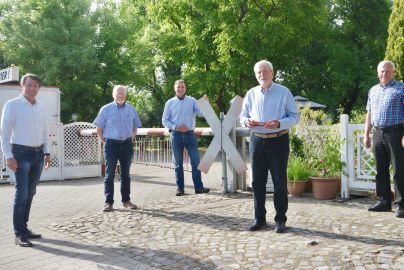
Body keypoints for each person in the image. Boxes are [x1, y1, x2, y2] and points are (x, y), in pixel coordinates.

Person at [240, 60, 300, 232]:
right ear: (255, 75)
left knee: (279, 182)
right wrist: (246, 121)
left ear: (272, 73)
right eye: (259, 72)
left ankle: (280, 219)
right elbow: (242, 116)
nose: (262, 75)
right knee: (257, 182)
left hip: (278, 140)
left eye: (265, 71)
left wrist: (279, 123)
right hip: (257, 140)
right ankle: (259, 218)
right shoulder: (251, 94)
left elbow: (295, 117)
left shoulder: (284, 92)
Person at [1, 73, 51, 247]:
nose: (32, 89)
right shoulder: (12, 105)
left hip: (38, 155)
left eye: (35, 86)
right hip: (20, 154)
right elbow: (4, 134)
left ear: (38, 88)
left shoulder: (41, 107)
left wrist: (47, 153)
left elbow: (45, 132)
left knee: (30, 193)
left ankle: (24, 227)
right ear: (22, 86)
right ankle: (19, 233)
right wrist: (8, 156)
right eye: (29, 85)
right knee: (21, 194)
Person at [364, 60, 404, 218]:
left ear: (393, 72)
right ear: (377, 72)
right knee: (381, 170)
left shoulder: (401, 88)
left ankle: (401, 204)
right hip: (378, 133)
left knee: (399, 170)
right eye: (381, 71)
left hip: (396, 133)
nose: (384, 74)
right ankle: (384, 201)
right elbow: (369, 114)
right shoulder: (373, 90)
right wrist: (366, 134)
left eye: (387, 71)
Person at [93, 85, 141, 212]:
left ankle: (126, 201)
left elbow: (135, 127)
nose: (120, 95)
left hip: (126, 144)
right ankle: (108, 202)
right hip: (111, 145)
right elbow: (99, 128)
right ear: (113, 95)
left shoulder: (131, 109)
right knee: (109, 175)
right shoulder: (106, 109)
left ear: (125, 95)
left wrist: (131, 137)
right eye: (118, 93)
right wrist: (104, 140)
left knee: (126, 175)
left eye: (123, 93)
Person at [162, 79, 210, 196]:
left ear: (185, 88)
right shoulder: (169, 103)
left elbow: (201, 113)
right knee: (178, 163)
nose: (180, 89)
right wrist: (176, 127)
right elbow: (164, 120)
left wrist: (206, 104)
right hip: (176, 135)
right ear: (175, 88)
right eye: (178, 87)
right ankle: (180, 189)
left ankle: (199, 188)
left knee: (195, 162)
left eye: (182, 87)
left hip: (190, 135)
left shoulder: (192, 100)